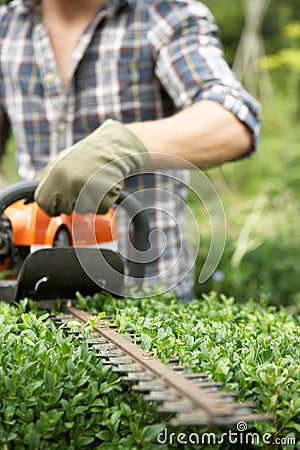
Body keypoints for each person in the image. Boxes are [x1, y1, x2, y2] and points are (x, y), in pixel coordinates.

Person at [0, 0, 261, 300]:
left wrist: (125, 145)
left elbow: (233, 119)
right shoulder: (7, 28)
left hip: (151, 296)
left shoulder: (163, 14)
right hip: (33, 291)